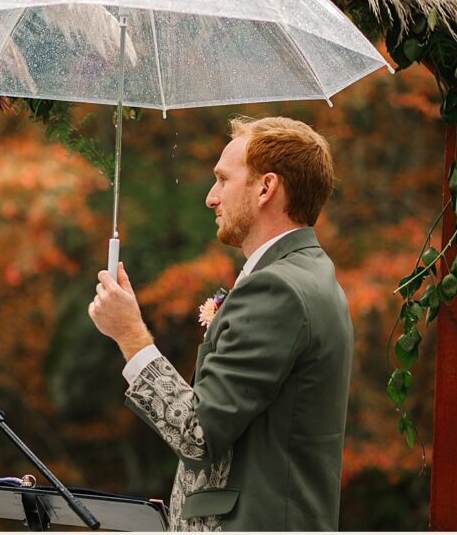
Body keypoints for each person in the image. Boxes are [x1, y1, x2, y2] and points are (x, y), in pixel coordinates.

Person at [88, 116, 353, 531]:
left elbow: (197, 434)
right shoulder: (307, 274)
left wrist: (130, 335)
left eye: (223, 180)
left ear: (266, 188)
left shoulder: (278, 289)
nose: (211, 198)